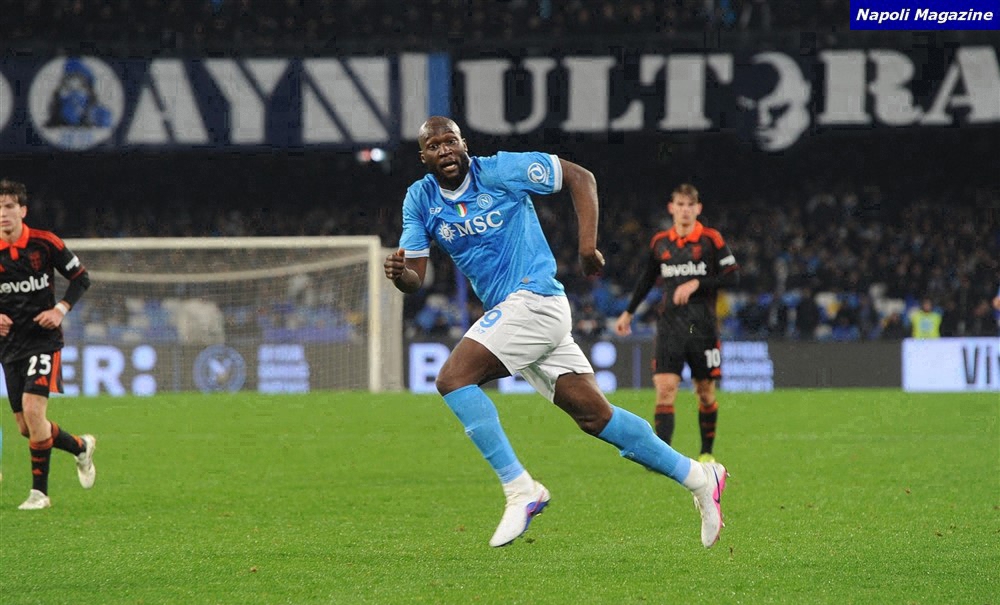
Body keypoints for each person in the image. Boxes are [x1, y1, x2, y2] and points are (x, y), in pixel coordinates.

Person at [384, 117, 727, 549]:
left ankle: (520, 489)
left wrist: (587, 247)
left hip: (536, 299)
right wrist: (400, 275)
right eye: (433, 146)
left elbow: (580, 177)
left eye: (450, 141)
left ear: (463, 143)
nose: (444, 150)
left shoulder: (501, 170)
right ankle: (700, 477)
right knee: (595, 417)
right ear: (424, 157)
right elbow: (415, 276)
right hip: (513, 313)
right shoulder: (420, 199)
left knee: (453, 379)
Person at [614, 184, 740, 462]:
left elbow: (733, 276)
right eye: (680, 205)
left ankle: (706, 453)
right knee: (665, 389)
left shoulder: (710, 239)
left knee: (705, 393)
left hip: (703, 328)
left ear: (698, 208)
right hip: (669, 327)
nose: (685, 210)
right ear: (671, 208)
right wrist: (628, 312)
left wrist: (698, 283)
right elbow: (647, 279)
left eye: (690, 205)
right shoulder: (660, 242)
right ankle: (664, 458)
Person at [0, 179, 96, 510]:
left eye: (9, 206)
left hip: (43, 341)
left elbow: (81, 278)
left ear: (23, 211)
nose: (3, 214)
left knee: (33, 410)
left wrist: (60, 310)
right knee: (27, 428)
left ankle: (39, 494)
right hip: (9, 346)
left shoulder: (44, 243)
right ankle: (80, 447)